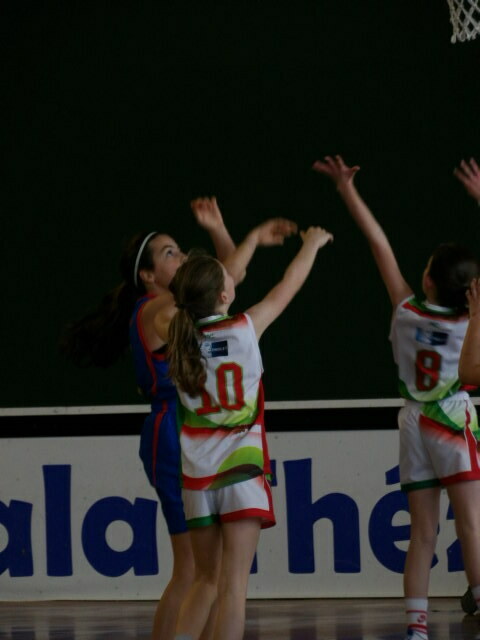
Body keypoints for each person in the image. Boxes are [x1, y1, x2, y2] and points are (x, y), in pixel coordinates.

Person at [61, 197, 296, 640]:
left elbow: (224, 282)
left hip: (192, 429)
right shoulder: (156, 310)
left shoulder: (187, 313)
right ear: (148, 276)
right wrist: (247, 240)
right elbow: (225, 280)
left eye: (181, 249)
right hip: (175, 429)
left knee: (210, 573)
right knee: (193, 569)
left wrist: (224, 232)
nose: (182, 256)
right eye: (170, 253)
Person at [313, 155, 480, 640]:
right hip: (451, 418)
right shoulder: (469, 323)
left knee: (422, 533)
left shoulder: (405, 309)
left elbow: (378, 242)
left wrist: (347, 190)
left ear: (428, 281)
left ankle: (416, 626)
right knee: (471, 524)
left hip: (412, 422)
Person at [159, 225, 333, 640]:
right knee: (233, 589)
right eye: (228, 275)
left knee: (205, 580)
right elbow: (288, 285)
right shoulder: (245, 328)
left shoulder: (179, 340)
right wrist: (311, 244)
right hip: (242, 472)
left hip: (197, 478)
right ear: (224, 294)